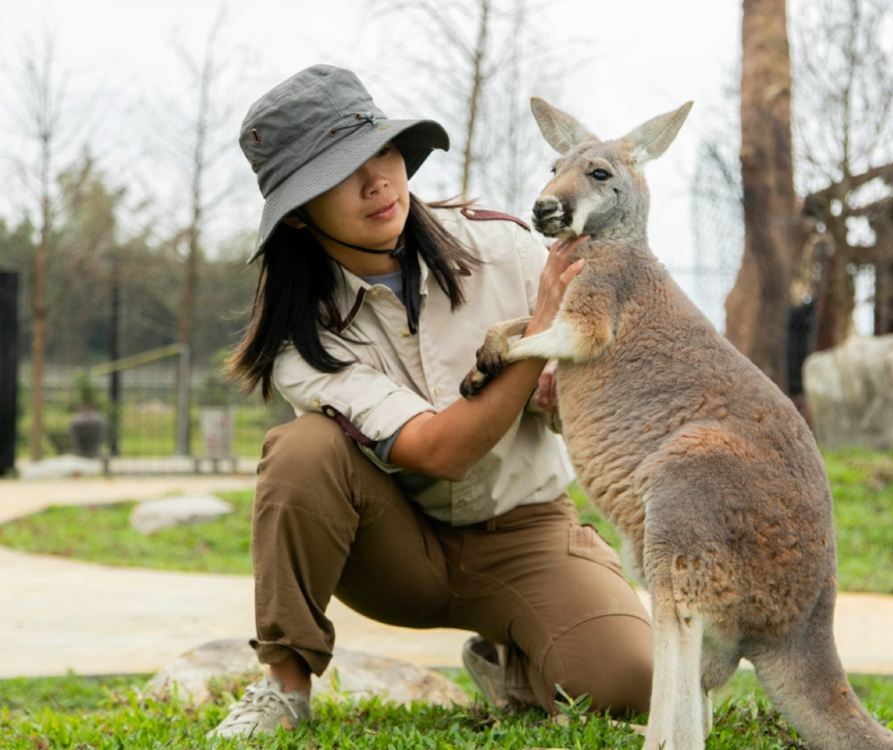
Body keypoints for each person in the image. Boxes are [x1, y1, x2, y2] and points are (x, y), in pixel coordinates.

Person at [208, 64, 652, 740]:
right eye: (339, 172)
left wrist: (564, 388)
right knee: (302, 450)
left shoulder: (504, 246)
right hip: (394, 549)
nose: (377, 181)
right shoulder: (302, 338)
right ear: (297, 213)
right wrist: (535, 336)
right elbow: (440, 452)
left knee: (630, 684)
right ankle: (284, 685)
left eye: (382, 151)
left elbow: (599, 387)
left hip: (527, 531)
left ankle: (511, 658)